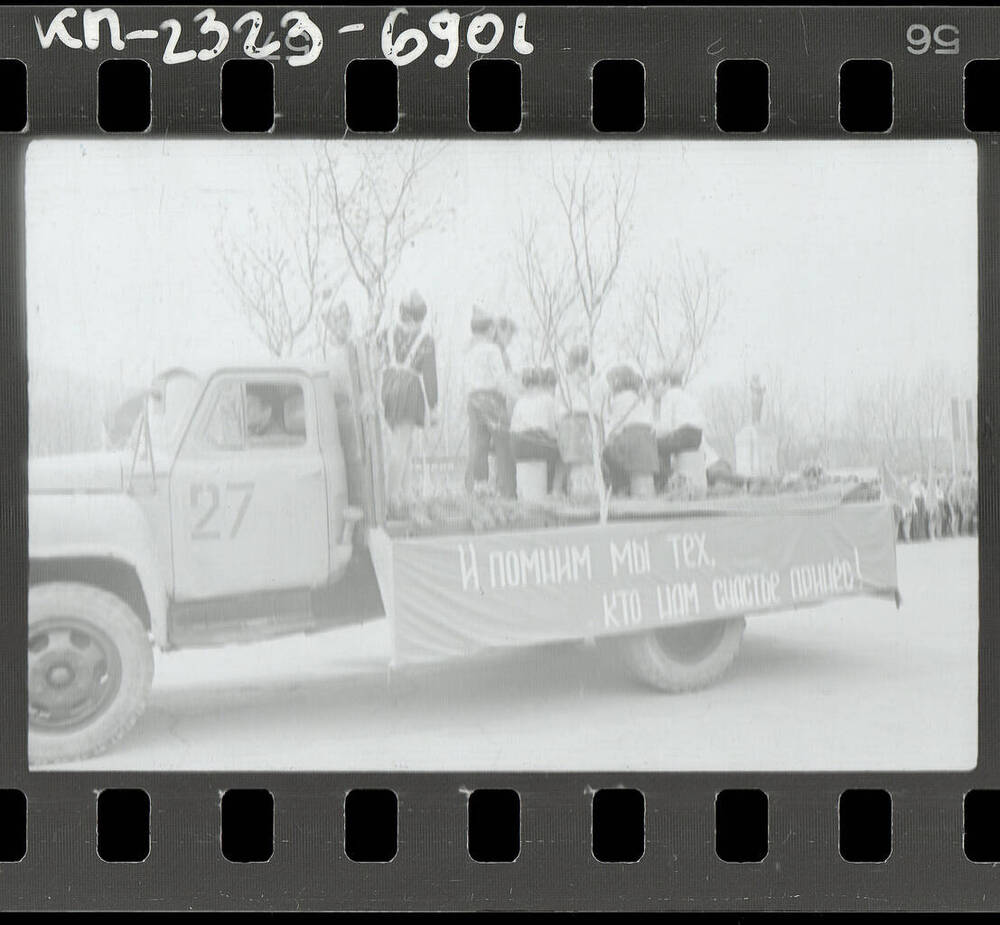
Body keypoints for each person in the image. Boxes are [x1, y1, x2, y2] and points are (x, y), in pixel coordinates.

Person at [379, 290, 438, 504]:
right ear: (417, 317)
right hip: (408, 390)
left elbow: (377, 360)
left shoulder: (385, 334)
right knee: (401, 446)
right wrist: (433, 406)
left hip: (388, 386)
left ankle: (405, 493)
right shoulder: (425, 339)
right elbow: (430, 375)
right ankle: (392, 496)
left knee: (406, 444)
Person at [463, 307, 517, 497]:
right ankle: (508, 491)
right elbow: (500, 379)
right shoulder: (492, 349)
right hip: (491, 398)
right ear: (491, 330)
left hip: (473, 399)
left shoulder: (468, 351)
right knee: (503, 443)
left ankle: (477, 488)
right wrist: (514, 397)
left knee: (479, 445)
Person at [602, 364, 658, 496]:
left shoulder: (618, 400)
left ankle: (620, 487)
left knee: (607, 452)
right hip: (648, 442)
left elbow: (615, 428)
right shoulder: (641, 398)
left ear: (616, 383)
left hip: (631, 440)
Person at [653, 363, 707, 494]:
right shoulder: (686, 396)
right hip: (696, 436)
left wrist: (653, 433)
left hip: (684, 433)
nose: (657, 387)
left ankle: (663, 482)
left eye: (659, 383)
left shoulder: (669, 396)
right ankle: (669, 479)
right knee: (663, 445)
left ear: (667, 383)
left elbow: (666, 427)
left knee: (655, 447)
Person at [510, 367, 563, 493]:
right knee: (563, 454)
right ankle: (556, 490)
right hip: (536, 444)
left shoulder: (520, 401)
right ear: (541, 382)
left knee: (545, 448)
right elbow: (552, 431)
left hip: (517, 446)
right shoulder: (548, 399)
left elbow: (513, 426)